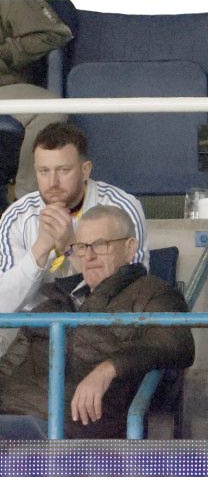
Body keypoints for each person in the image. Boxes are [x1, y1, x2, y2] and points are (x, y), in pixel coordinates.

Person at [0, 205, 194, 439]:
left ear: (130, 248)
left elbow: (176, 342)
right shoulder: (55, 300)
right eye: (82, 247)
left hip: (69, 428)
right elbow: (8, 366)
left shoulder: (152, 293)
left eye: (101, 245)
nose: (89, 256)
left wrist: (108, 369)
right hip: (13, 418)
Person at [0, 123, 149, 354]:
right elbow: (3, 306)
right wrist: (40, 250)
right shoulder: (17, 216)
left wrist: (71, 246)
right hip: (33, 329)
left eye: (63, 170)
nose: (53, 183)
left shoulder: (120, 207)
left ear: (85, 170)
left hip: (101, 327)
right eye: (44, 171)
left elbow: (130, 297)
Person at [0, 0, 71, 202]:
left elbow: (53, 33)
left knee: (49, 109)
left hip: (3, 88)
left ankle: (27, 203)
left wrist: (5, 54)